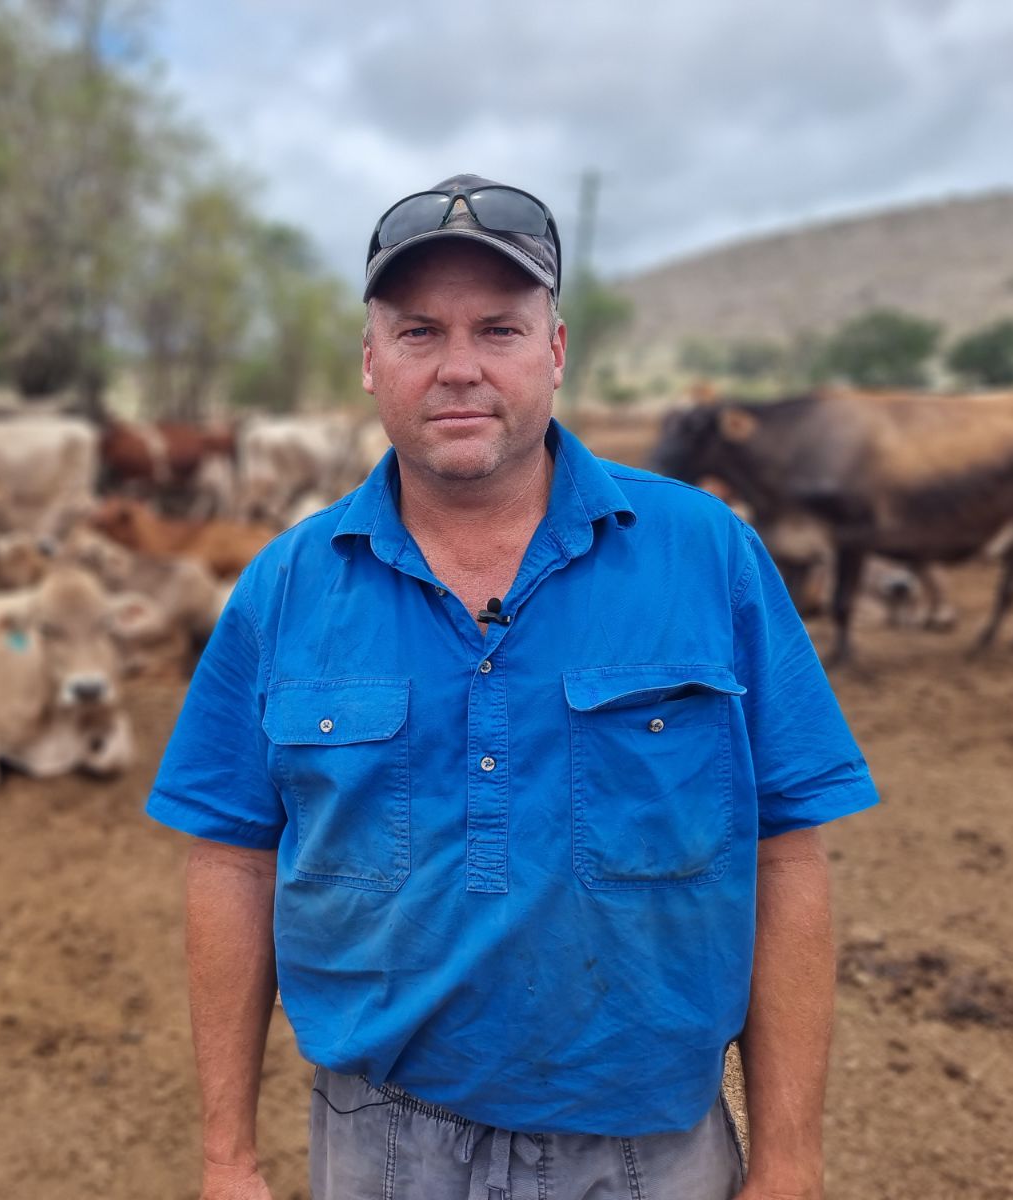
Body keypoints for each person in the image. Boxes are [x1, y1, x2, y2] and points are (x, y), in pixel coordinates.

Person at [146, 173, 878, 1200]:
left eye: (497, 329)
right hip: (379, 1144)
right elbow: (230, 864)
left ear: (556, 351)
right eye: (417, 333)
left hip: (649, 1149)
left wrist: (791, 1157)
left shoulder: (706, 555)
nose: (458, 369)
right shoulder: (287, 585)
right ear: (369, 360)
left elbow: (789, 853)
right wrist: (227, 1156)